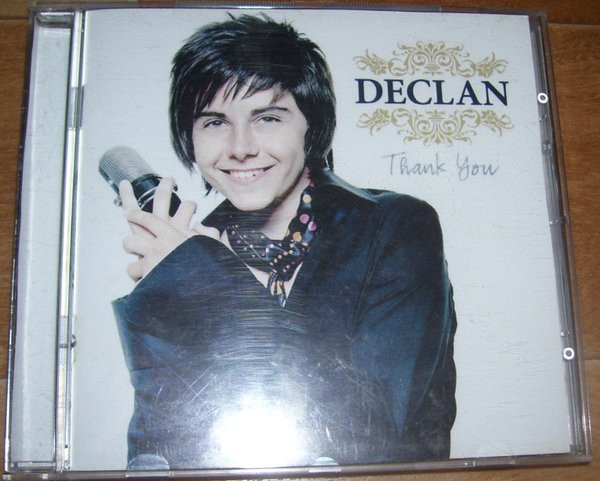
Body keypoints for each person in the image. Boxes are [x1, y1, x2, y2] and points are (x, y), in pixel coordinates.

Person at [113, 14, 457, 470]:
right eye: (214, 122)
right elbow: (158, 449)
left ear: (311, 127)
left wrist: (207, 281)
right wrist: (176, 280)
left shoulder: (395, 226)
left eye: (268, 118)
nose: (240, 147)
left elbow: (375, 434)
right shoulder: (184, 254)